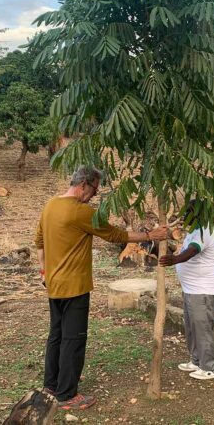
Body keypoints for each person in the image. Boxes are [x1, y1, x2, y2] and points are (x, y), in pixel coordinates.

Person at [35, 165, 168, 410]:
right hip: (74, 286)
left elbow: (39, 243)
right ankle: (67, 395)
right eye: (95, 189)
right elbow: (115, 235)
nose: (95, 195)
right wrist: (151, 235)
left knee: (56, 336)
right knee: (73, 339)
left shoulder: (50, 205)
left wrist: (44, 272)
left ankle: (51, 385)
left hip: (53, 285)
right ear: (84, 184)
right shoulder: (80, 212)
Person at [160, 200, 214, 380]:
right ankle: (196, 360)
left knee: (202, 328)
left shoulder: (205, 230)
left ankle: (209, 367)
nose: (184, 216)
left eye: (189, 212)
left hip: (202, 289)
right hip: (190, 288)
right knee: (191, 327)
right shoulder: (194, 230)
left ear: (199, 214)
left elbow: (193, 250)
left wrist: (175, 259)